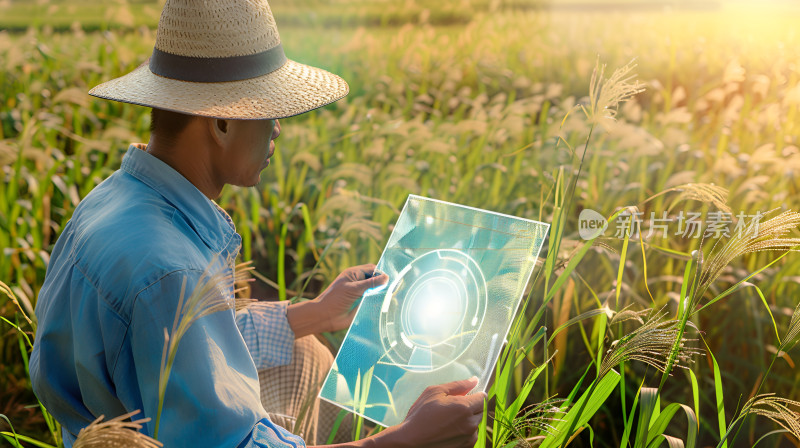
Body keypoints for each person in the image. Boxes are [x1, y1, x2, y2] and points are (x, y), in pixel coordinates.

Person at [29, 0, 485, 447]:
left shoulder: (113, 198)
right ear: (223, 121)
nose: (278, 128)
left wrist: (318, 312)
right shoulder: (172, 273)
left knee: (307, 350)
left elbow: (182, 344)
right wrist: (404, 441)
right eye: (269, 108)